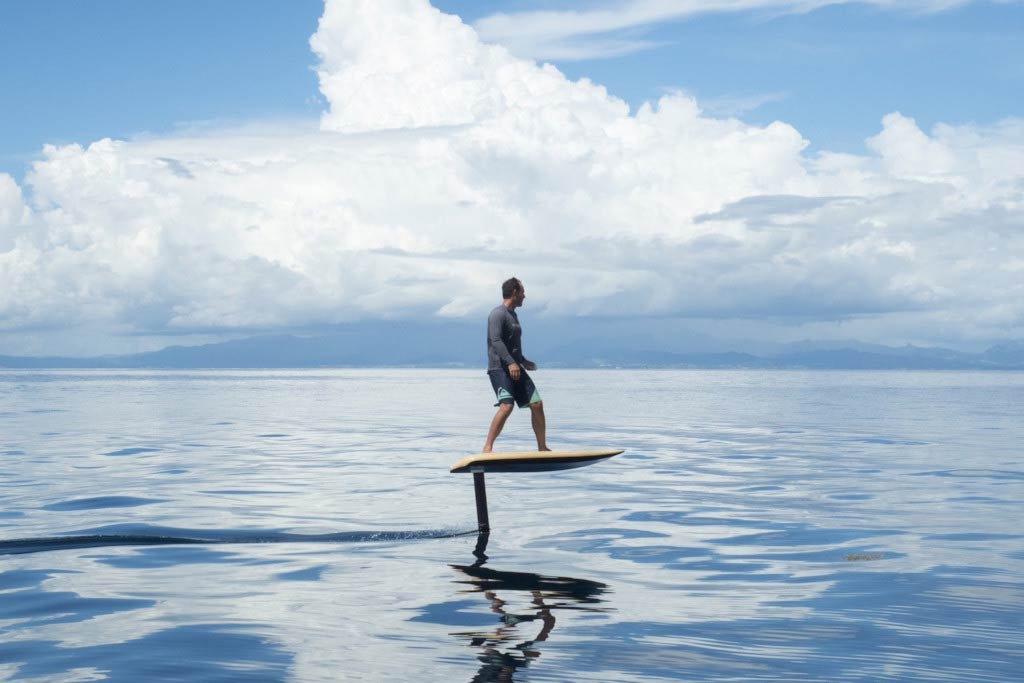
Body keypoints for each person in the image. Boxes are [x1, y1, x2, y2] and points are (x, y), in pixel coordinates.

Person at [482, 277, 549, 453]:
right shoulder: (497, 314)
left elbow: (511, 345)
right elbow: (496, 340)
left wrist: (523, 361)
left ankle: (542, 448)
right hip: (499, 368)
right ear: (514, 292)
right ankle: (487, 448)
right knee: (507, 406)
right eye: (522, 292)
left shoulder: (513, 315)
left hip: (515, 367)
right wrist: (511, 362)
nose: (524, 296)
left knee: (536, 403)